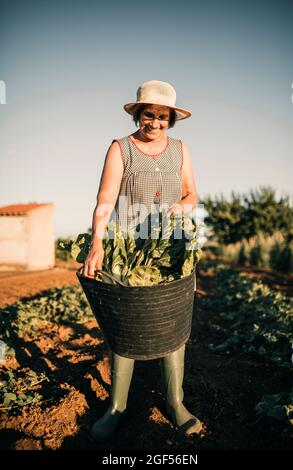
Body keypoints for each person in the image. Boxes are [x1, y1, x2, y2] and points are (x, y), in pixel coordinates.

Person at [83, 80, 202, 441]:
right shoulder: (121, 148)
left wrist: (181, 207)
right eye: (149, 114)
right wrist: (97, 244)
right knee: (126, 325)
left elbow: (192, 192)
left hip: (172, 247)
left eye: (163, 117)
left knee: (173, 323)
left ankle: (176, 402)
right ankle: (117, 407)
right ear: (138, 113)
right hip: (130, 251)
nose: (155, 122)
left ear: (171, 120)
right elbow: (105, 197)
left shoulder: (180, 149)